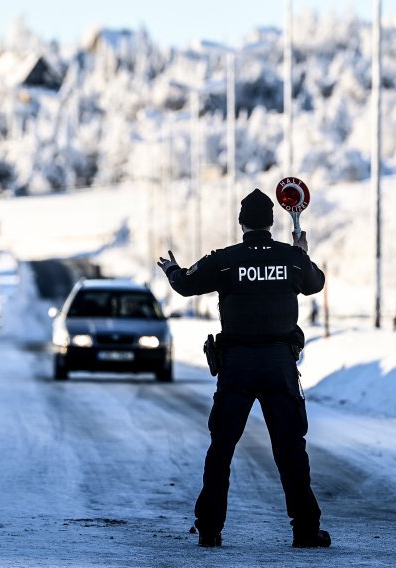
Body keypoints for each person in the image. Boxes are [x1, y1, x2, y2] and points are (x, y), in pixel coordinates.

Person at [156, 188, 330, 549]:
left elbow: (186, 284)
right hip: (279, 365)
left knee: (222, 448)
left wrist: (171, 269)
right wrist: (301, 252)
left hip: (236, 367)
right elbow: (316, 284)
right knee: (290, 449)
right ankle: (305, 530)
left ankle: (209, 528)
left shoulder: (225, 260)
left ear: (241, 223)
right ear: (271, 221)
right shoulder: (291, 259)